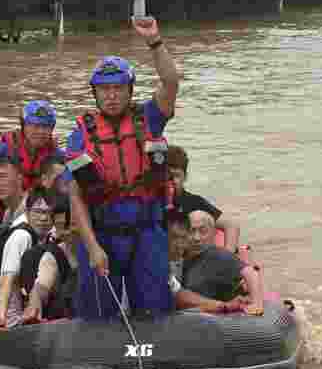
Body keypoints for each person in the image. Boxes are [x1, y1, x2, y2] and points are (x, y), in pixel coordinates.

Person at [65, 17, 180, 321]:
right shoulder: (81, 135)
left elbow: (171, 82)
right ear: (95, 94)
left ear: (130, 91)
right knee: (97, 317)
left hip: (147, 234)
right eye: (104, 90)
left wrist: (155, 42)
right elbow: (76, 197)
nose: (111, 96)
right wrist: (91, 247)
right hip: (103, 236)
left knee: (156, 313)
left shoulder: (149, 118)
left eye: (118, 89)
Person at [0, 100, 61, 229]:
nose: (40, 132)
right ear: (24, 126)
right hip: (2, 215)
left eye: (46, 127)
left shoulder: (56, 155)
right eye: (35, 126)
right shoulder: (4, 150)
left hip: (35, 216)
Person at [165, 145, 240, 277]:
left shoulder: (193, 202)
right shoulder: (151, 204)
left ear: (185, 177)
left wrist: (227, 258)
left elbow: (231, 224)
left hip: (190, 265)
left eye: (176, 176)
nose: (171, 182)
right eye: (167, 177)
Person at [0, 188, 55, 327]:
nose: (43, 218)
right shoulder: (21, 237)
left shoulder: (50, 235)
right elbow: (7, 279)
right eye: (38, 212)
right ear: (28, 214)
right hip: (16, 321)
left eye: (49, 213)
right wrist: (1, 316)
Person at [178, 212, 264, 315]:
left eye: (203, 231)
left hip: (217, 318)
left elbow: (251, 273)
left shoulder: (218, 255)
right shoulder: (178, 256)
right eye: (191, 231)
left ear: (213, 234)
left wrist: (257, 303)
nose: (197, 238)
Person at [20, 194, 78, 323]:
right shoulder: (52, 256)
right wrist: (34, 302)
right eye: (59, 227)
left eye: (70, 225)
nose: (65, 233)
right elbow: (41, 285)